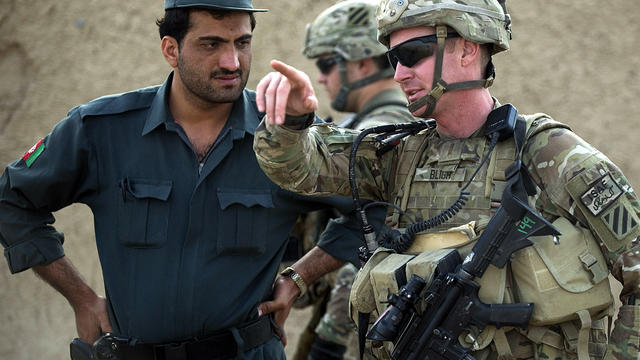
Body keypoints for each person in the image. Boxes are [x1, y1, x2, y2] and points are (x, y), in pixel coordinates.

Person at [252, 0, 640, 359]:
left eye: (412, 55)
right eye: (392, 58)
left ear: (468, 49)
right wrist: (292, 121)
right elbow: (299, 168)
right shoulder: (400, 154)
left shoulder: (548, 153)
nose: (399, 73)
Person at [0, 1, 367, 359]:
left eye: (241, 42)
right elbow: (13, 199)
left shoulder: (284, 134)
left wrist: (299, 276)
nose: (232, 62)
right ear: (171, 49)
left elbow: (377, 203)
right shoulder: (101, 130)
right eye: (211, 44)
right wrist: (80, 298)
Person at [292, 1, 415, 359]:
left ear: (362, 63)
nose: (321, 77)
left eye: (328, 64)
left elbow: (366, 221)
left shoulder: (385, 126)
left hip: (362, 322)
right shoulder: (367, 124)